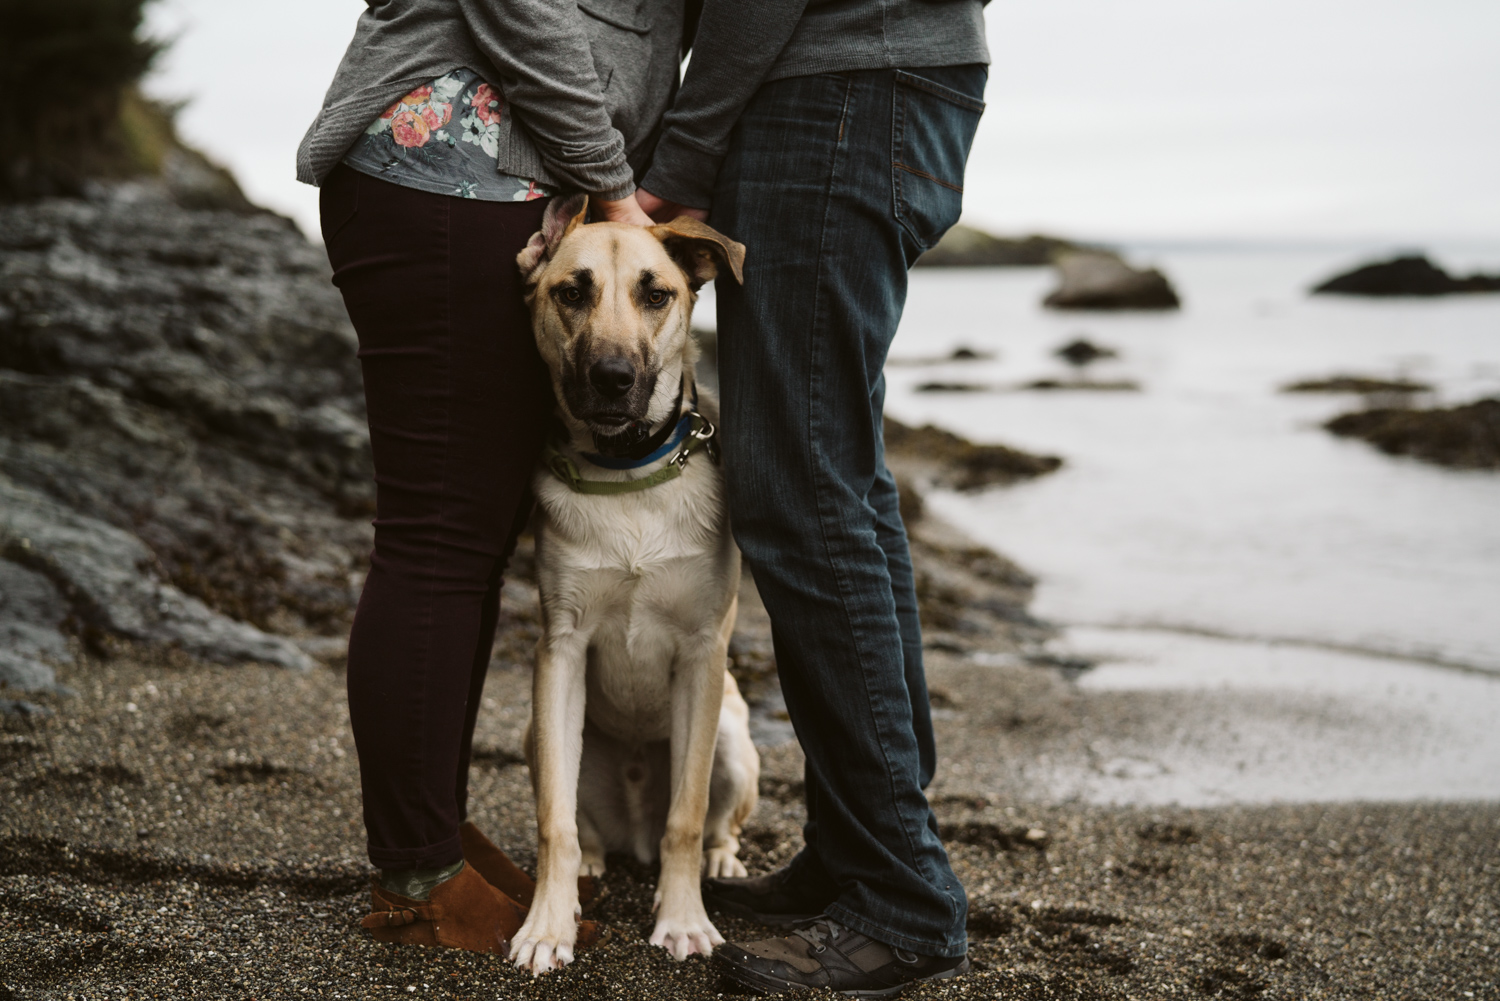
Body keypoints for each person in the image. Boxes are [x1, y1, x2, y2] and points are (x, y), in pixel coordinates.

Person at [295, 0, 685, 952]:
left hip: (480, 189)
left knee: (469, 539)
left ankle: (433, 830)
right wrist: (613, 185)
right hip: (443, 179)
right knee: (439, 537)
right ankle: (418, 873)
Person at [637, 0, 990, 993]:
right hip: (882, 85)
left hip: (836, 90)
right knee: (836, 474)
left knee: (800, 488)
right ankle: (857, 848)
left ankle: (904, 899)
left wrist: (682, 151)